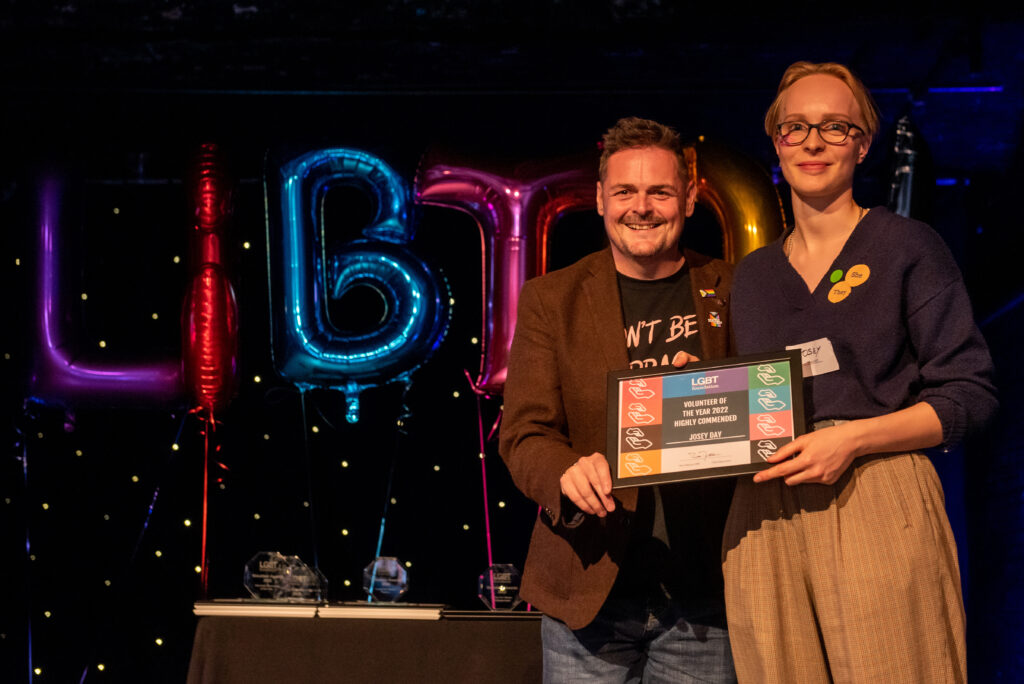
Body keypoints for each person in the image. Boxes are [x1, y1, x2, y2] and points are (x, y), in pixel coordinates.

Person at [724, 61, 998, 683]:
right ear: (776, 141)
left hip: (877, 491)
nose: (813, 142)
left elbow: (970, 394)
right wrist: (702, 388)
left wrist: (853, 439)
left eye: (835, 127)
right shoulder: (754, 274)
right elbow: (752, 399)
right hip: (765, 509)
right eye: (795, 127)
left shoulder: (907, 245)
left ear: (863, 143)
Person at [499, 116, 737, 682]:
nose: (642, 207)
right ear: (601, 198)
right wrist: (565, 473)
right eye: (626, 191)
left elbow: (769, 413)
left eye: (660, 191)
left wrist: (718, 390)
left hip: (705, 599)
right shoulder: (551, 299)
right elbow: (524, 433)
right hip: (588, 592)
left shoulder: (734, 288)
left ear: (689, 196)